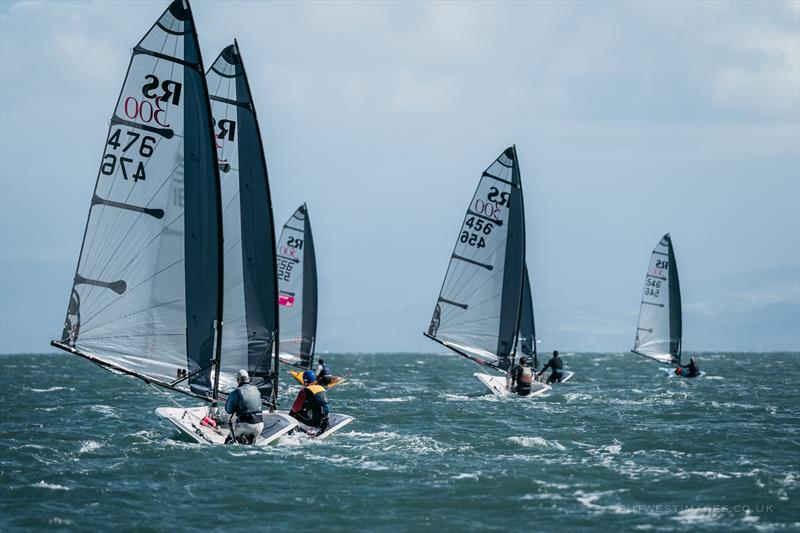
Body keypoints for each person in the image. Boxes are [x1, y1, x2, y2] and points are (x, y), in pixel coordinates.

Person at [224, 369, 264, 444]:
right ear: (248, 379)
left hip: (244, 425)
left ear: (237, 380)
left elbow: (228, 410)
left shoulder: (237, 392)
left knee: (229, 439)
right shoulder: (256, 389)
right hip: (260, 425)